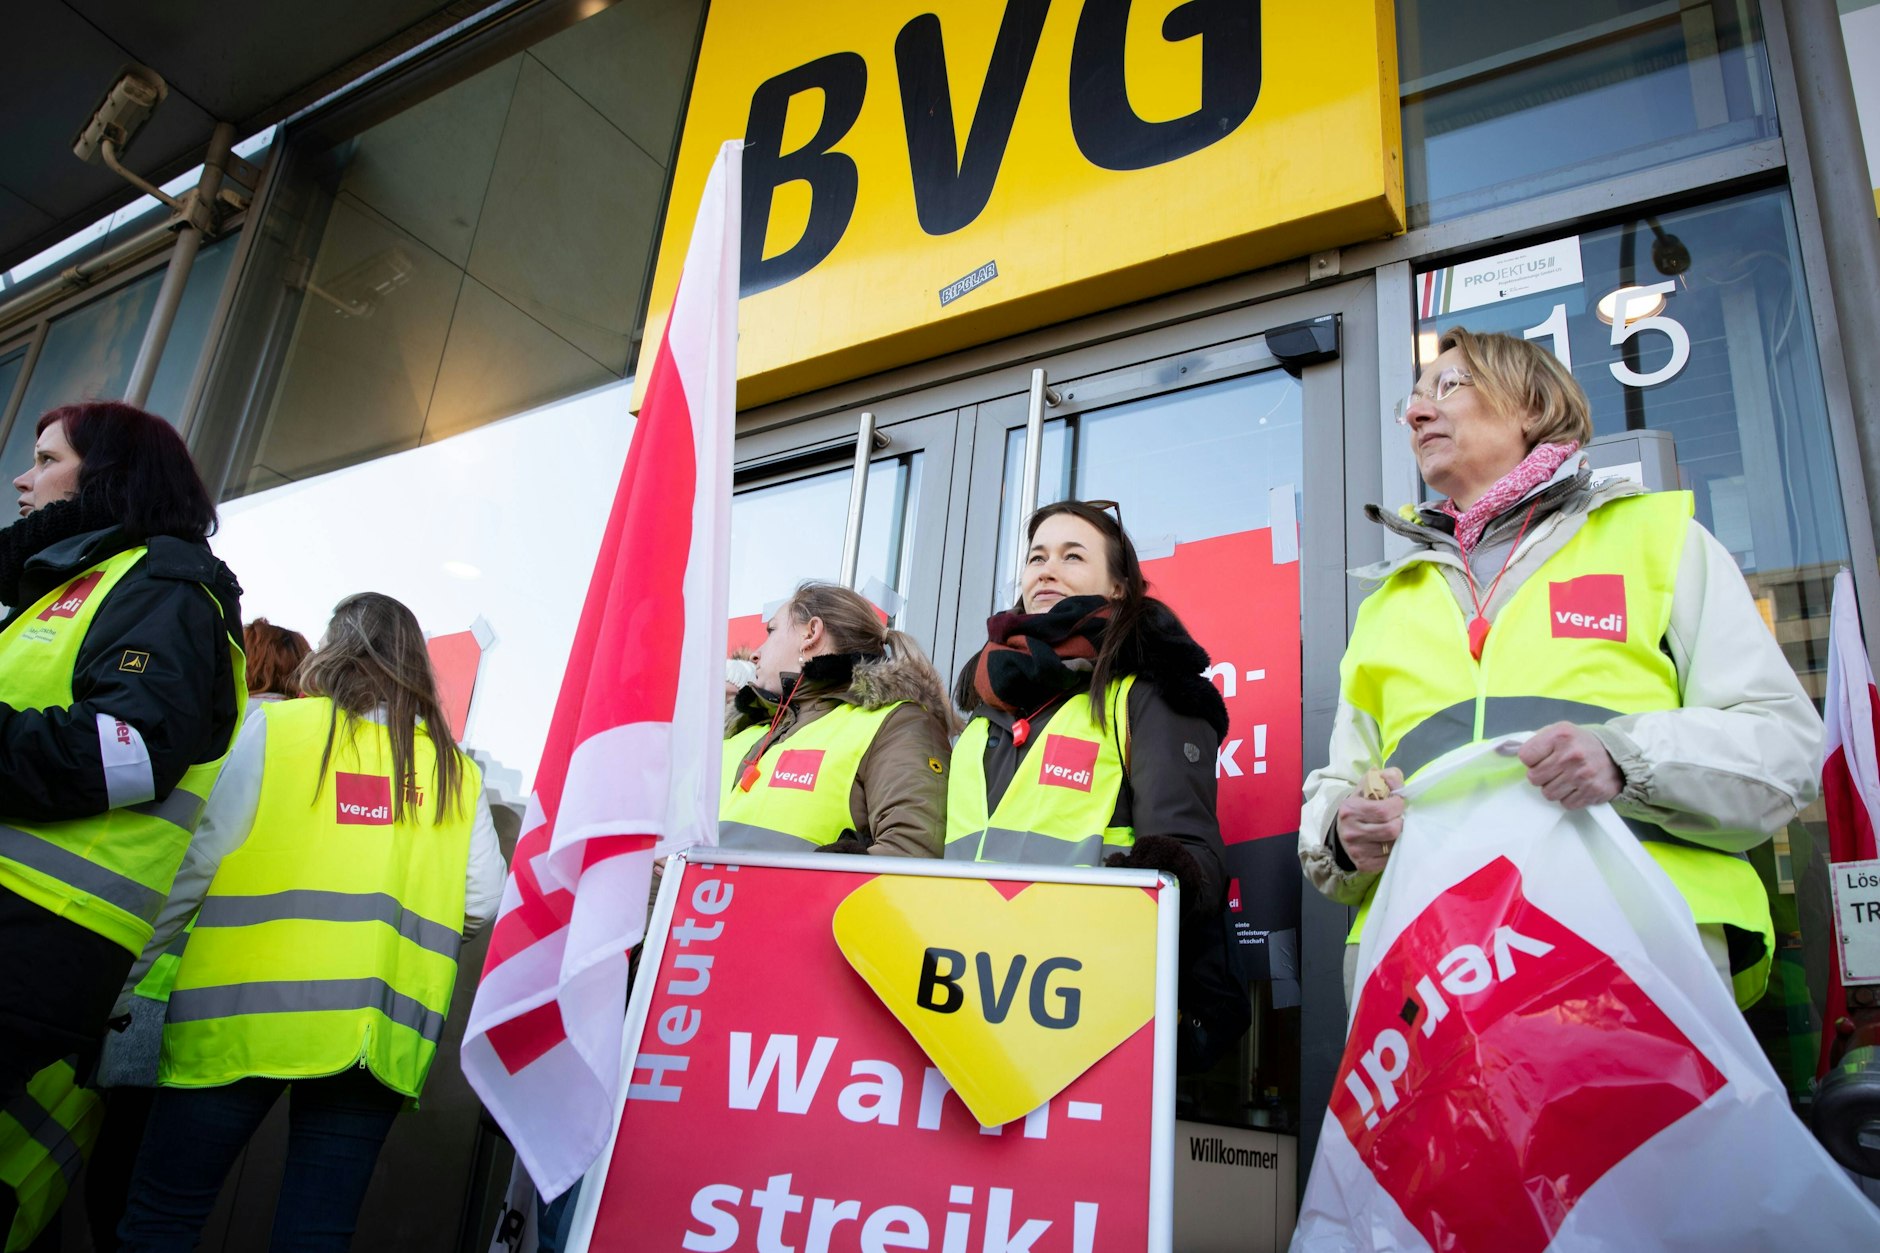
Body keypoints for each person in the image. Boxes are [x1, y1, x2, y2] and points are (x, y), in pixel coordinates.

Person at [1300, 327, 1822, 1007]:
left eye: (1449, 386)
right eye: (1413, 398)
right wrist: (1342, 833)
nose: (1418, 412)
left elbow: (1783, 748)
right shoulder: (1386, 603)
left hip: (1632, 960)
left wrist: (1625, 760)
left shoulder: (1657, 539)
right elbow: (1339, 790)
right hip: (1432, 982)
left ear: (1533, 405)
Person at [115, 592, 505, 1251]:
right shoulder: (452, 772)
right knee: (314, 1235)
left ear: (335, 646)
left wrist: (130, 972)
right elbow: (482, 901)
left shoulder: (279, 730)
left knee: (163, 1217)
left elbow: (198, 859)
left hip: (239, 1016)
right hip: (369, 1036)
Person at [0, 401, 245, 1113]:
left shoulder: (165, 585)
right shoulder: (70, 585)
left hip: (43, 928)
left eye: (47, 461)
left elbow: (130, 749)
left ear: (110, 475)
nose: (23, 479)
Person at [947, 500, 1228, 917]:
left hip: (1089, 971)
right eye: (1036, 557)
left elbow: (1190, 868)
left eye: (1072, 556)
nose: (1046, 569)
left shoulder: (1151, 691)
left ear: (1118, 587)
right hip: (966, 965)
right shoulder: (986, 702)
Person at [721, 581, 955, 856]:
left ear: (811, 633)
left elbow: (911, 854)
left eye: (771, 631)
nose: (755, 653)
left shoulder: (896, 724)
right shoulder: (743, 732)